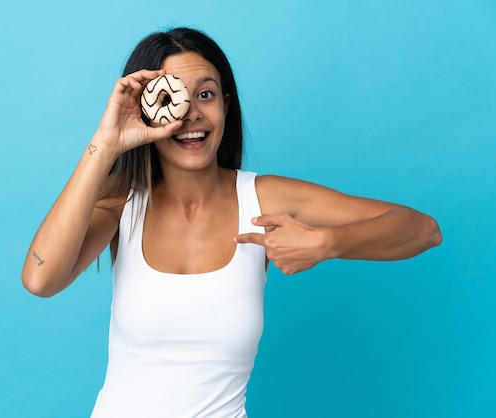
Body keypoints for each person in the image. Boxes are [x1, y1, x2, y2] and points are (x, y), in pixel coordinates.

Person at [22, 27, 442, 418]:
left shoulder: (263, 198)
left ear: (226, 103)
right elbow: (41, 279)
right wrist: (106, 141)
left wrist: (327, 243)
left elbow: (423, 228)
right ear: (147, 113)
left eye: (205, 95)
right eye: (173, 100)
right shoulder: (122, 205)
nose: (190, 116)